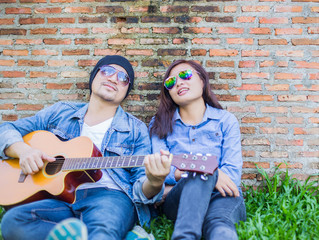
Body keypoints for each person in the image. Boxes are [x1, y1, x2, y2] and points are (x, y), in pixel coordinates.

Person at [0, 55, 171, 240]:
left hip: (109, 197)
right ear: (94, 77)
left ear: (126, 91)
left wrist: (154, 181)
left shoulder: (135, 129)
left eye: (123, 78)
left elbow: (141, 188)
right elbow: (6, 129)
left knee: (101, 233)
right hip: (58, 199)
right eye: (107, 71)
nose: (113, 78)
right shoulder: (60, 112)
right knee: (13, 222)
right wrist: (24, 151)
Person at [149, 60, 246, 240]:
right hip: (181, 198)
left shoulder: (225, 121)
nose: (178, 83)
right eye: (170, 82)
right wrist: (210, 171)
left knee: (220, 226)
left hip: (223, 196)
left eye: (185, 75)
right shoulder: (159, 125)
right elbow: (161, 171)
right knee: (200, 171)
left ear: (202, 81)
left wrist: (183, 172)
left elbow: (232, 176)